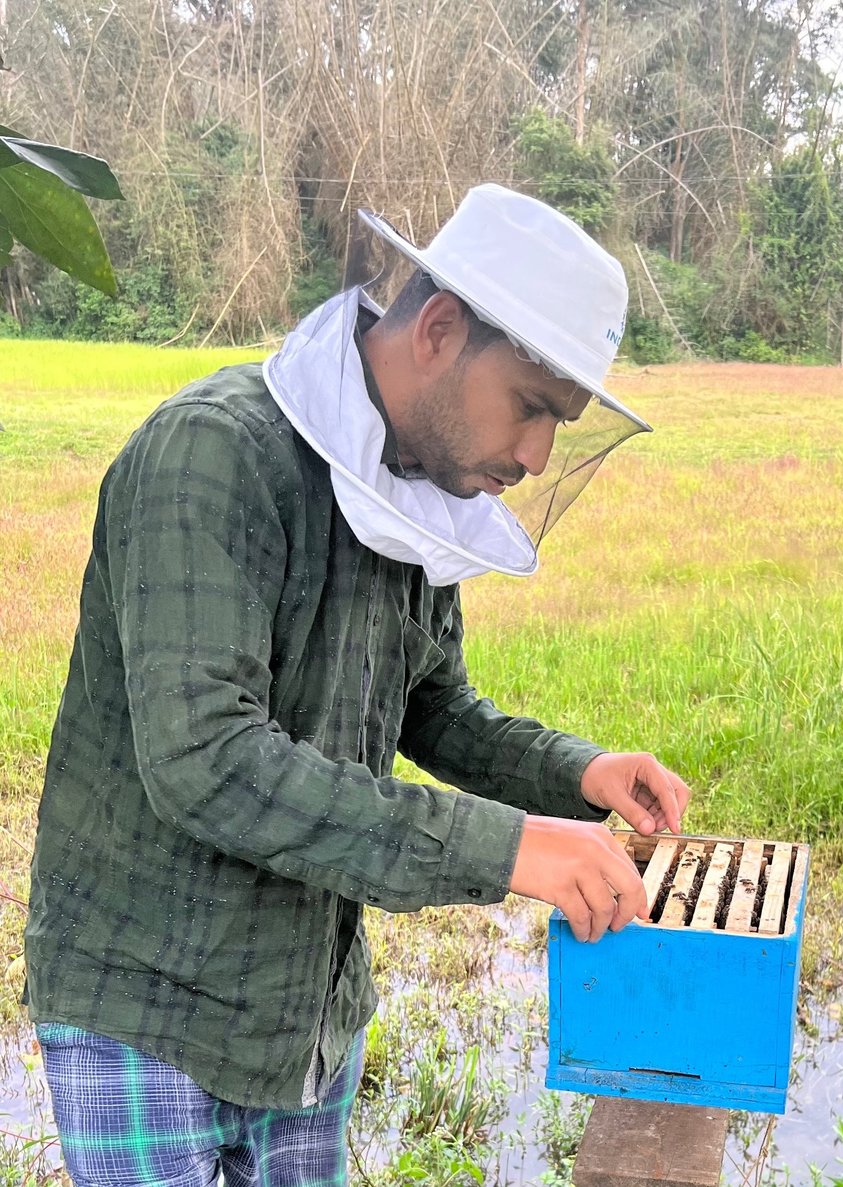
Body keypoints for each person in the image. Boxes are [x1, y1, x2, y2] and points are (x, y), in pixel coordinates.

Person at [24, 184, 690, 1187]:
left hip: (306, 1005)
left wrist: (579, 772)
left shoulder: (420, 489)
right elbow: (207, 761)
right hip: (145, 999)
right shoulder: (212, 454)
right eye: (532, 406)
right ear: (439, 328)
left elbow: (435, 706)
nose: (538, 453)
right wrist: (506, 847)